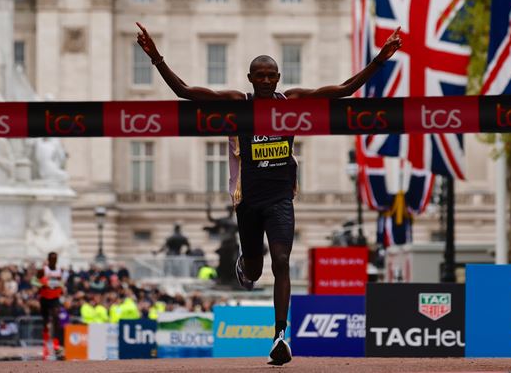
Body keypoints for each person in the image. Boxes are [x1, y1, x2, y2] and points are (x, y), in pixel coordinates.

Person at [136, 22, 403, 365]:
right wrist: (155, 57)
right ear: (250, 78)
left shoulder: (291, 101)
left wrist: (380, 59)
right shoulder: (237, 103)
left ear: (278, 79)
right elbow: (185, 92)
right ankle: (244, 267)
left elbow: (344, 89)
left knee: (281, 261)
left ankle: (279, 335)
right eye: (259, 75)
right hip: (248, 201)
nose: (265, 81)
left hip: (280, 199)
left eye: (270, 76)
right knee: (255, 270)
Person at [37, 252, 65, 352]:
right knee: (45, 322)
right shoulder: (43, 270)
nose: (54, 261)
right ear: (48, 259)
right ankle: (45, 345)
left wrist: (61, 288)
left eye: (55, 259)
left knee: (56, 319)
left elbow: (61, 283)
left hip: (54, 298)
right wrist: (42, 283)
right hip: (44, 298)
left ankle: (56, 345)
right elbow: (34, 281)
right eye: (52, 259)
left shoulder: (59, 270)